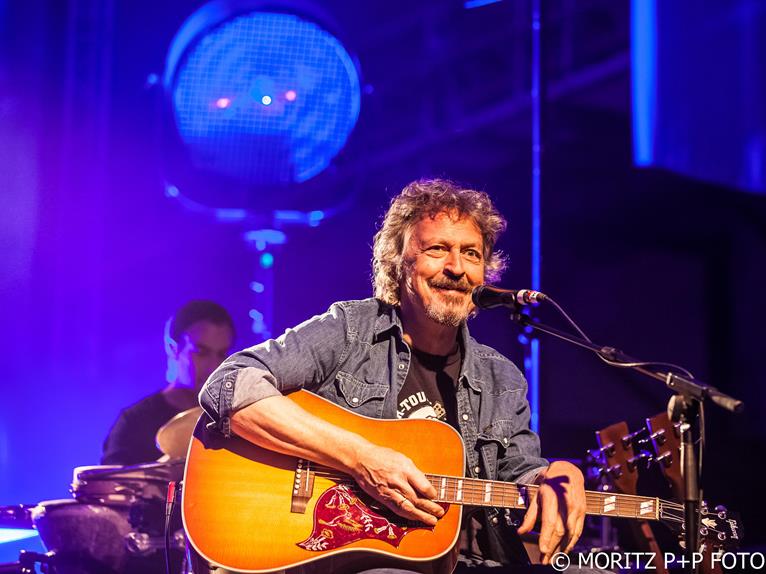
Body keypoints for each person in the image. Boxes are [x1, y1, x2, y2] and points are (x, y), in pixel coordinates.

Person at [200, 179, 587, 572]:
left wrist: (555, 474)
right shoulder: (350, 331)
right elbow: (230, 384)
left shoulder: (501, 378)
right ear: (398, 263)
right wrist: (360, 458)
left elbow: (518, 477)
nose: (456, 268)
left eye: (471, 253)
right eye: (437, 249)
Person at [101, 300, 235, 465]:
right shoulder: (134, 422)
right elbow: (109, 481)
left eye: (222, 354)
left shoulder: (235, 418)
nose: (214, 367)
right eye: (201, 352)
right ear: (173, 349)